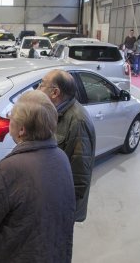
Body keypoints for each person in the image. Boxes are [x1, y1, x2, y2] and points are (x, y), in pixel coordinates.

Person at [0, 90, 75, 263]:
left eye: (11, 117)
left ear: (21, 129)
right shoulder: (61, 157)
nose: (9, 120)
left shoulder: (8, 169)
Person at [38, 69, 96, 222]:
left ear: (55, 92)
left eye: (41, 85)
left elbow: (80, 176)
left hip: (60, 205)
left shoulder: (77, 121)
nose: (37, 89)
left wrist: (62, 208)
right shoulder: (54, 112)